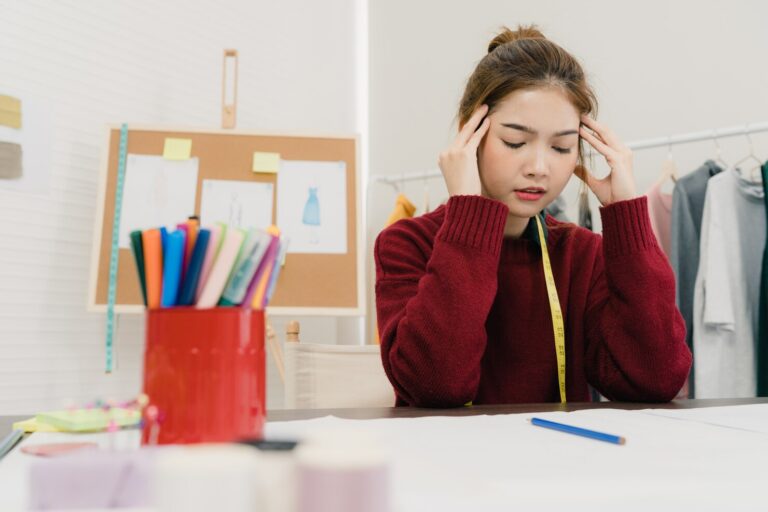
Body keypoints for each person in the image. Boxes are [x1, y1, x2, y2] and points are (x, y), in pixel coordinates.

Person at [374, 24, 691, 407]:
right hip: (445, 466)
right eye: (515, 142)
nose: (539, 167)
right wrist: (469, 215)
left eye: (561, 147)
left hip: (557, 464)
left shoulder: (581, 255)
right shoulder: (406, 244)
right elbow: (436, 386)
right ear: (468, 136)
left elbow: (656, 379)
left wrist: (626, 215)